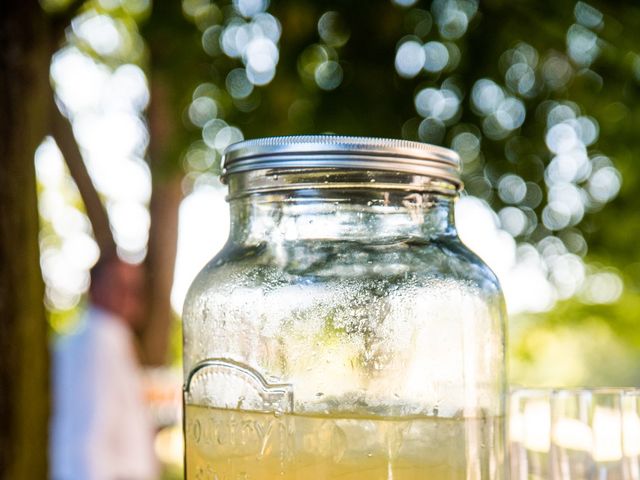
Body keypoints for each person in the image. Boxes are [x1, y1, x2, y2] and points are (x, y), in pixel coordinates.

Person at [50, 256, 159, 480]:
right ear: (93, 288)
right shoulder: (101, 339)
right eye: (118, 286)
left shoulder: (102, 337)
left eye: (134, 288)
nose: (128, 296)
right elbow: (89, 431)